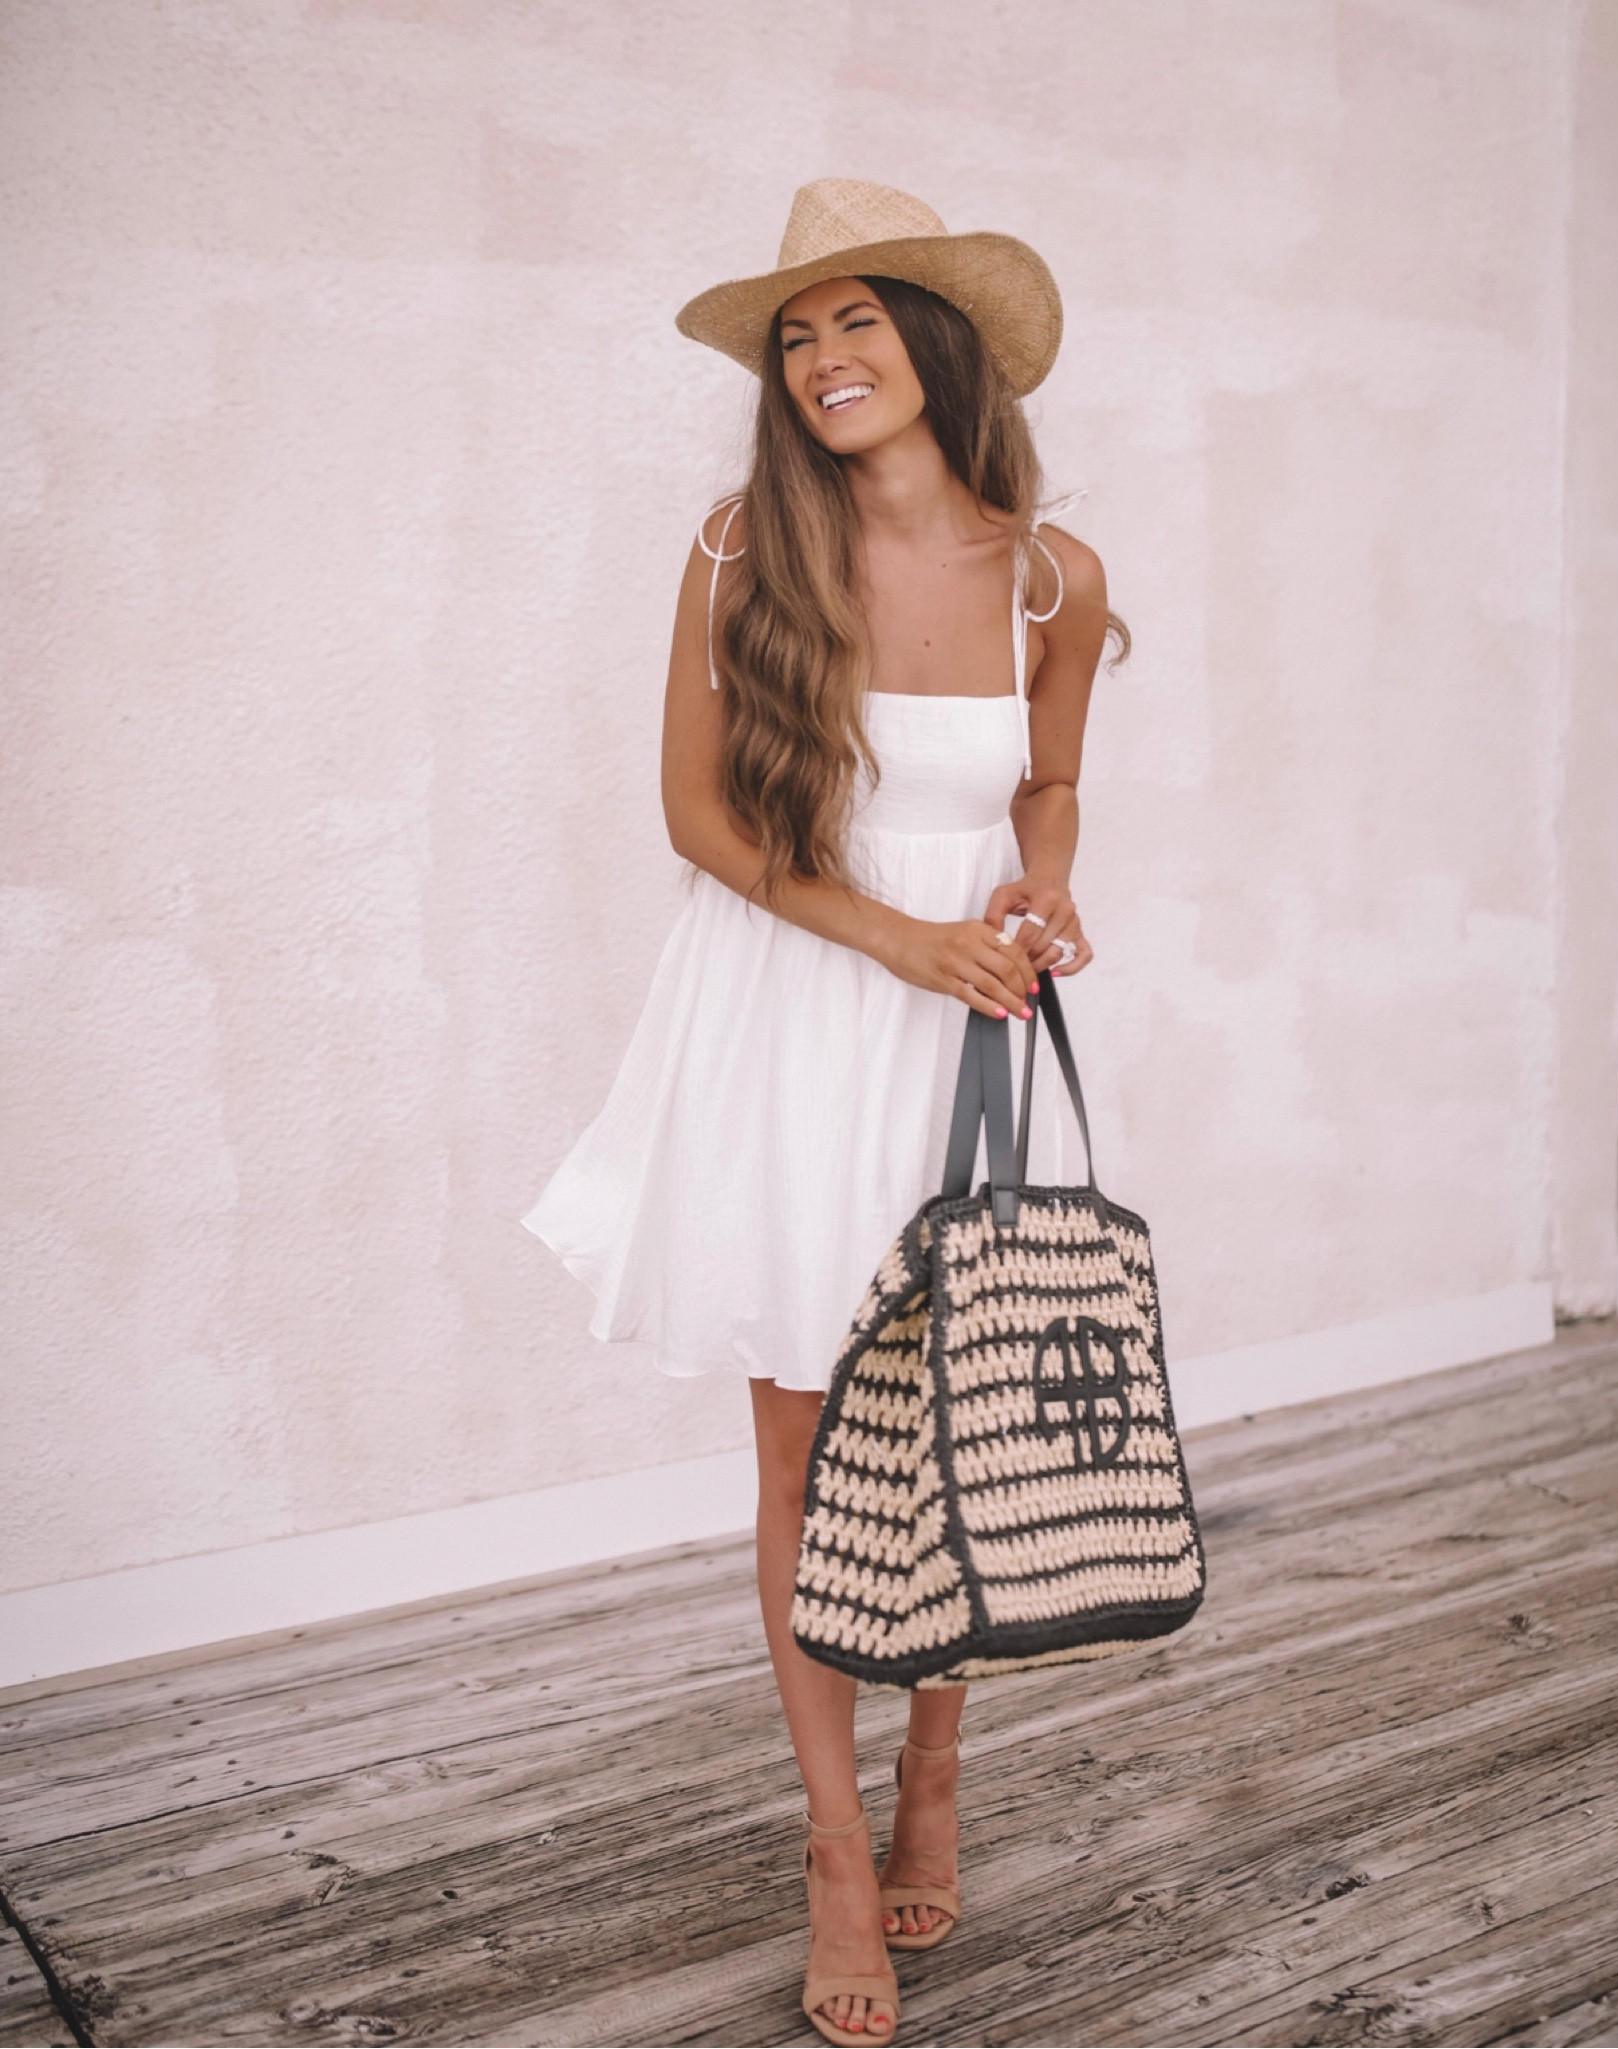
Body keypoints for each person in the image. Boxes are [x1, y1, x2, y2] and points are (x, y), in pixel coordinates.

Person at [523, 178, 1126, 2047]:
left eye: (855, 320)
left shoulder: (1052, 573)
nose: (821, 358)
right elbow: (702, 824)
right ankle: (833, 1850)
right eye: (797, 334)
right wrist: (893, 936)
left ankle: (936, 1772)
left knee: (951, 1424)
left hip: (967, 1019)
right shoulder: (736, 547)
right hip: (796, 1004)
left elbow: (1045, 788)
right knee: (802, 1437)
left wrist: (1038, 892)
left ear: (936, 349)